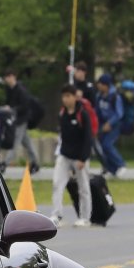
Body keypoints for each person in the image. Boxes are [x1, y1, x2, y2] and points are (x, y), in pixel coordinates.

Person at [53, 85, 93, 228]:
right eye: (63, 96)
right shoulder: (62, 113)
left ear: (75, 97)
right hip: (64, 155)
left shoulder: (83, 114)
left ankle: (85, 218)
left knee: (83, 187)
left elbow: (88, 138)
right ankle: (57, 215)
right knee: (57, 184)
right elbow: (63, 136)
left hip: (79, 158)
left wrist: (83, 158)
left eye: (68, 96)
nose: (65, 99)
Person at [0, 70, 43, 173]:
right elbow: (9, 102)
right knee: (27, 142)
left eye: (10, 76)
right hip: (15, 119)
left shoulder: (21, 90)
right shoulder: (9, 89)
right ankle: (35, 162)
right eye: (6, 77)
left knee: (15, 141)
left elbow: (25, 106)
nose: (8, 79)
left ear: (14, 77)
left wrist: (12, 109)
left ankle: (5, 163)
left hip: (22, 120)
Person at [94, 73, 129, 177]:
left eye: (100, 84)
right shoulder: (99, 96)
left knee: (107, 145)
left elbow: (119, 113)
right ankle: (111, 169)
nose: (98, 86)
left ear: (106, 85)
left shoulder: (115, 96)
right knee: (102, 147)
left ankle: (121, 164)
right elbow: (97, 111)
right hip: (103, 124)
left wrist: (110, 123)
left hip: (114, 125)